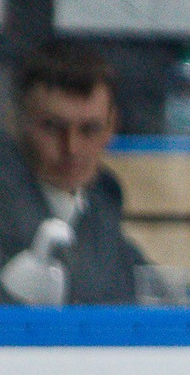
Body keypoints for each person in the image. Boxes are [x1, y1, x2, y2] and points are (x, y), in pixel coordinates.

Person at [2, 40, 151, 306]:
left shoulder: (102, 201)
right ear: (15, 121)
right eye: (51, 127)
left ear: (111, 127)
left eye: (89, 129)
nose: (71, 148)